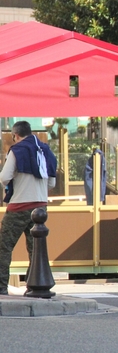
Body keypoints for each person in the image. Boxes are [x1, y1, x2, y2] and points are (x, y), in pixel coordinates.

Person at [0, 121, 57, 295]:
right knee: (36, 250)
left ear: (15, 135)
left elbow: (4, 177)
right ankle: (34, 286)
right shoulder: (45, 150)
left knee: (4, 246)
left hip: (19, 207)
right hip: (40, 209)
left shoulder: (17, 151)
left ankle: (1, 286)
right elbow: (52, 183)